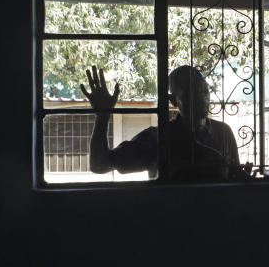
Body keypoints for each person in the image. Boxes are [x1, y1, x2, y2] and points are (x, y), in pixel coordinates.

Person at [80, 64, 242, 181]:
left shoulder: (224, 132)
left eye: (204, 90)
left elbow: (236, 177)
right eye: (190, 93)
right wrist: (102, 117)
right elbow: (99, 164)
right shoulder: (157, 139)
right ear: (173, 101)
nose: (201, 97)